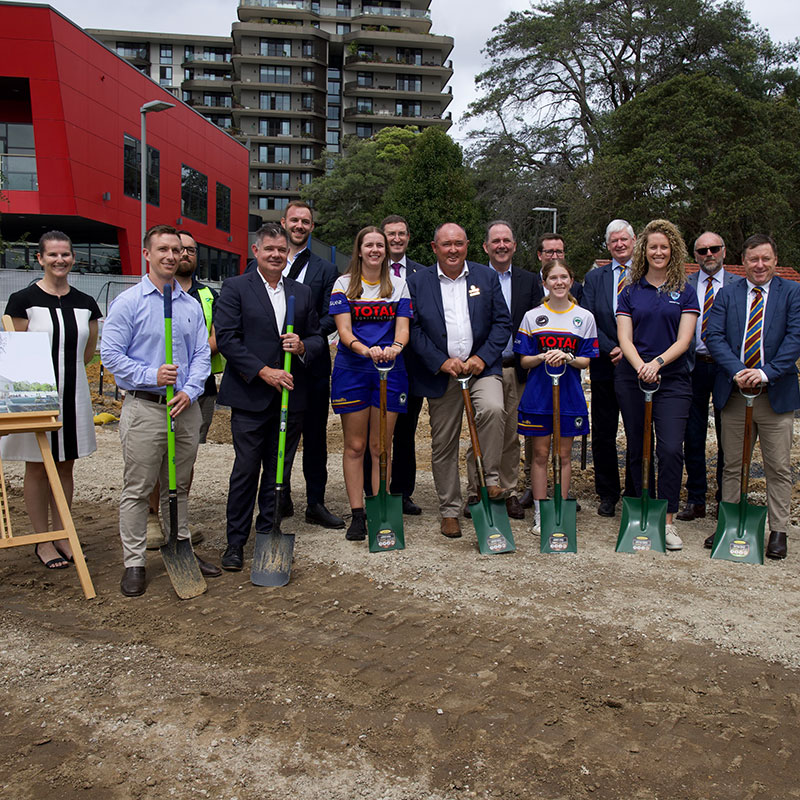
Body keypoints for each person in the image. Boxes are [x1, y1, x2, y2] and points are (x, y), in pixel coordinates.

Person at [101, 224, 219, 596]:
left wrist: (189, 389)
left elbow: (202, 354)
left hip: (184, 406)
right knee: (138, 488)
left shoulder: (190, 304)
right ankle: (134, 561)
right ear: (147, 254)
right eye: (163, 249)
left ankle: (180, 546)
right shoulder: (129, 302)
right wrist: (151, 373)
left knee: (179, 485)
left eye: (178, 250)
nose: (172, 256)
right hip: (146, 407)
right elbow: (110, 355)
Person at [215, 223, 324, 571]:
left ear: (287, 254)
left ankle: (268, 532)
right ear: (256, 251)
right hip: (251, 396)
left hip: (290, 398)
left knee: (279, 471)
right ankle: (235, 542)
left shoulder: (302, 292)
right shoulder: (235, 288)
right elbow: (229, 339)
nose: (276, 255)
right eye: (270, 249)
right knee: (245, 470)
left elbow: (318, 335)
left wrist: (304, 345)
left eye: (282, 250)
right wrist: (264, 371)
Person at [1, 231, 101, 570]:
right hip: (35, 394)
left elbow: (88, 352)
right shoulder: (22, 299)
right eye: (53, 255)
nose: (60, 260)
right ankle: (42, 540)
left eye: (66, 255)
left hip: (74, 394)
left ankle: (63, 534)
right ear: (40, 258)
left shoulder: (86, 303)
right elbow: (14, 351)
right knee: (38, 466)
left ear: (73, 258)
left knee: (66, 464)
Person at [407, 222, 511, 538]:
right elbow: (412, 329)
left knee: (493, 409)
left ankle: (488, 480)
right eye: (446, 244)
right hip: (443, 373)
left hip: (481, 368)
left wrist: (481, 358)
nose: (453, 250)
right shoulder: (417, 282)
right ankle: (449, 510)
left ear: (467, 245)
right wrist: (441, 361)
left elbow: (502, 322)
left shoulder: (485, 276)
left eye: (459, 244)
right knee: (443, 443)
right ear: (434, 247)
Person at [705, 233, 800, 559]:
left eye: (766, 259)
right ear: (742, 262)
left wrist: (763, 373)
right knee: (732, 464)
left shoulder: (793, 293)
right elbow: (714, 337)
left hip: (775, 394)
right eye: (753, 259)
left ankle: (778, 531)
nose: (759, 265)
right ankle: (729, 524)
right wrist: (739, 371)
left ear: (775, 260)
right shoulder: (727, 294)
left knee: (778, 467)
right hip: (734, 393)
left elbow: (795, 338)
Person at [615, 219, 699, 551]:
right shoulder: (630, 290)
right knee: (638, 448)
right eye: (653, 247)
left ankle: (667, 520)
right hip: (633, 378)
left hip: (673, 379)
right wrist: (640, 367)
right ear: (644, 251)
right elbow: (624, 337)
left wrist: (658, 364)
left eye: (664, 246)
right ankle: (638, 514)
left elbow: (685, 339)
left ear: (673, 250)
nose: (659, 252)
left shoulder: (685, 290)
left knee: (668, 449)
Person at [330, 226, 412, 541]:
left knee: (381, 447)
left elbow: (402, 329)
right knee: (355, 445)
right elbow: (345, 332)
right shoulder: (342, 285)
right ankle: (357, 514)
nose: (376, 249)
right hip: (353, 369)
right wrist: (365, 350)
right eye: (369, 245)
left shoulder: (400, 286)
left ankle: (380, 510)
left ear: (386, 251)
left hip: (390, 371)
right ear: (360, 250)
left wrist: (395, 348)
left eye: (380, 245)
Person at [145, 229, 223, 549]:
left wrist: (192, 366)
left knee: (184, 460)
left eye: (189, 250)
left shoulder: (206, 296)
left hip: (197, 389)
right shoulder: (149, 293)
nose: (183, 255)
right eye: (178, 249)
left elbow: (216, 337)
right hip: (158, 390)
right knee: (155, 456)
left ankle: (177, 520)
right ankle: (152, 517)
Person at [514, 261, 597, 532]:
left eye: (563, 277)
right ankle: (540, 511)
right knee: (539, 454)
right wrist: (542, 356)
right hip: (539, 395)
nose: (558, 282)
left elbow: (586, 361)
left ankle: (559, 509)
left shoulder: (584, 317)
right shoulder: (532, 316)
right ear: (545, 282)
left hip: (569, 395)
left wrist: (568, 356)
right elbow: (524, 361)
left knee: (563, 456)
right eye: (553, 277)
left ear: (571, 280)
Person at [468, 220, 542, 521]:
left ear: (514, 245)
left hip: (516, 366)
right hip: (483, 367)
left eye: (506, 240)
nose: (501, 245)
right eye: (495, 241)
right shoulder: (473, 279)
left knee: (511, 433)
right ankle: (478, 489)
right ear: (486, 246)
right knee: (484, 428)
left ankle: (509, 491)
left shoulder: (529, 281)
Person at [279, 201, 344, 529]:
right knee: (278, 435)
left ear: (312, 227)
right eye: (295, 220)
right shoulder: (266, 261)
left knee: (315, 439)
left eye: (305, 221)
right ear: (284, 222)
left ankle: (315, 503)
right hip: (276, 368)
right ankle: (280, 495)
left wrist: (305, 341)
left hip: (313, 365)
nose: (300, 226)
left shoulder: (325, 270)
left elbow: (330, 315)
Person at [362, 214, 426, 515]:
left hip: (407, 366)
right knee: (371, 434)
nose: (396, 239)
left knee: (404, 432)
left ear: (408, 237)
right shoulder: (364, 273)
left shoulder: (421, 274)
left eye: (402, 234)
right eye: (391, 235)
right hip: (368, 367)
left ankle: (402, 491)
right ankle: (372, 490)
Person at [675, 231, 740, 522]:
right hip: (693, 365)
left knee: (730, 434)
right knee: (693, 434)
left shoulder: (739, 285)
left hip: (729, 368)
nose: (709, 254)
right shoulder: (683, 284)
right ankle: (696, 497)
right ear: (695, 256)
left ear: (724, 251)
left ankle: (726, 498)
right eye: (702, 251)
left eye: (714, 249)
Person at [582, 219, 637, 517]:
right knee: (603, 432)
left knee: (636, 431)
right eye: (614, 241)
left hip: (638, 366)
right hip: (604, 364)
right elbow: (588, 318)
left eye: (624, 240)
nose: (619, 245)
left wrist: (630, 351)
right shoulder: (595, 278)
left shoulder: (646, 274)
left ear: (634, 241)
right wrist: (612, 347)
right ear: (608, 245)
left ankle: (635, 491)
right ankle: (607, 493)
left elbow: (651, 317)